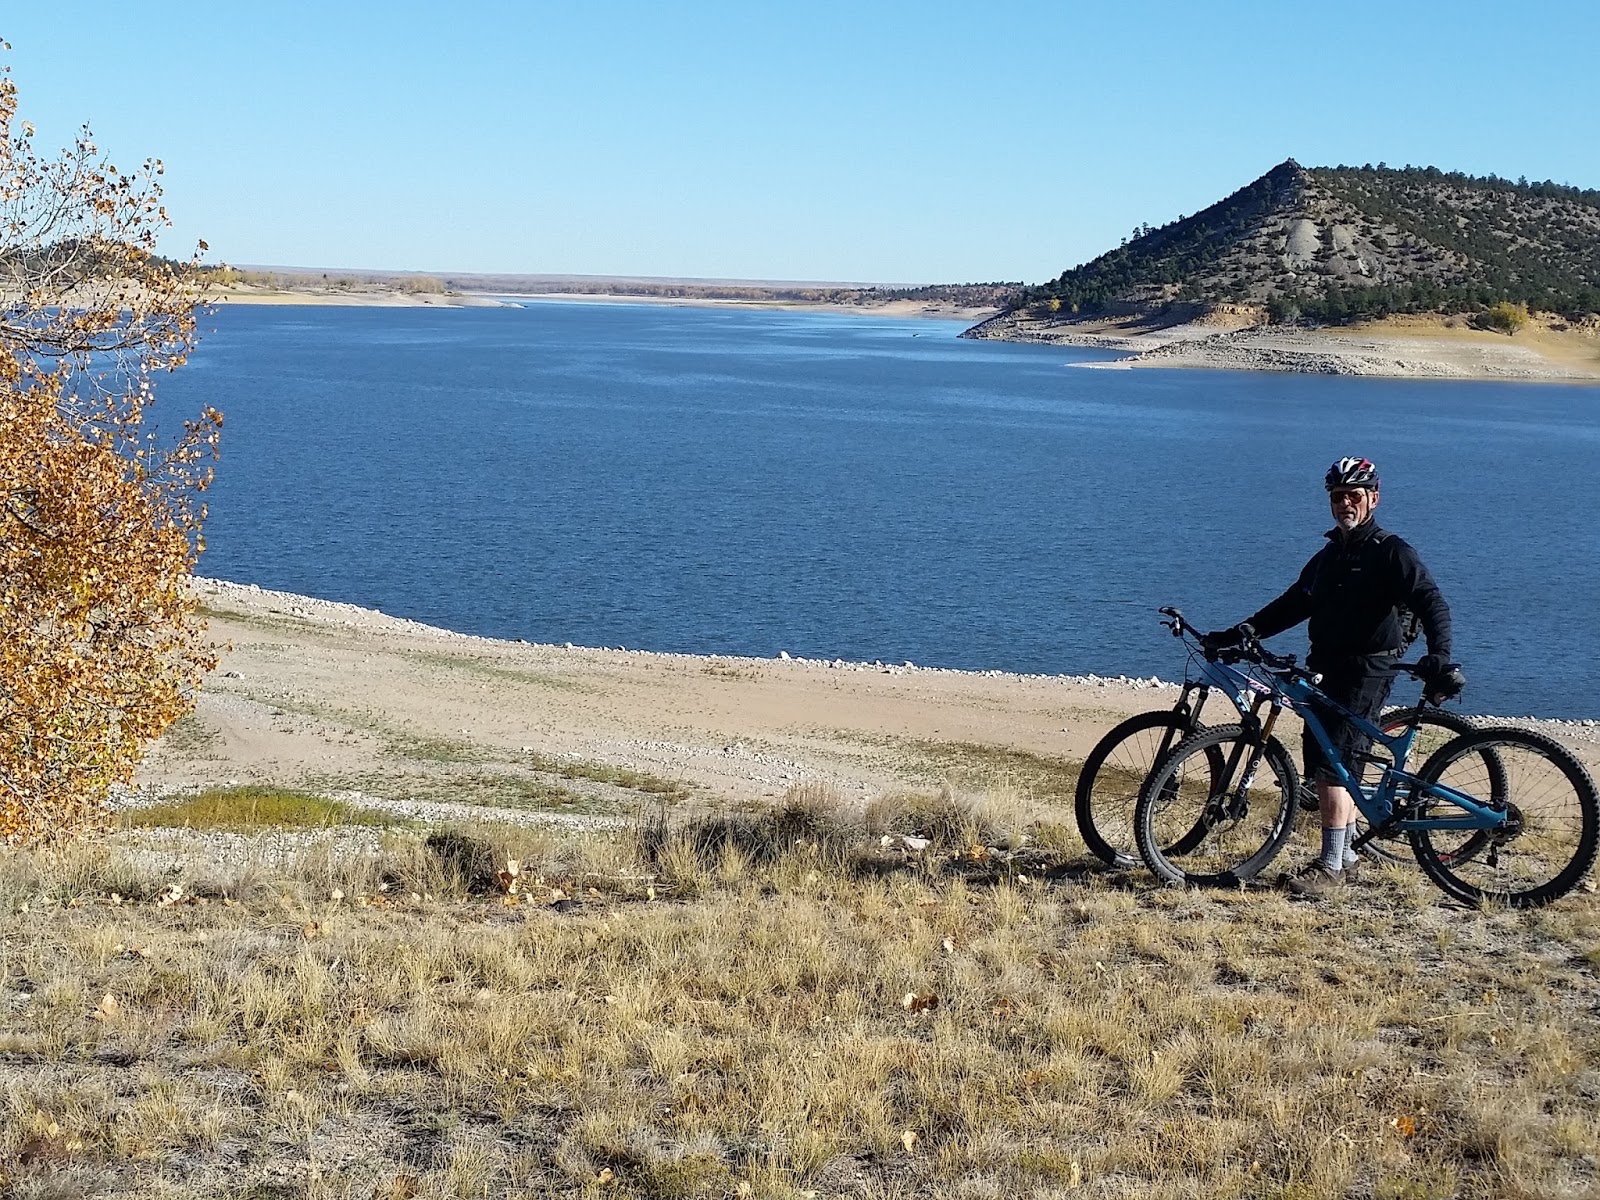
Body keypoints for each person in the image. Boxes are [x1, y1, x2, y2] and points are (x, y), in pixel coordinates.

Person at [1204, 456, 1465, 897]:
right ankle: (1345, 856)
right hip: (1325, 664)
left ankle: (1331, 868)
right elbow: (1294, 602)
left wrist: (1439, 655)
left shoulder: (1391, 551)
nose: (1345, 503)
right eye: (1337, 496)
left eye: (1354, 496)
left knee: (1335, 768)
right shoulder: (1330, 555)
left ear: (1373, 499)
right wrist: (1242, 632)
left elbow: (1431, 602)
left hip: (1367, 668)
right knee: (1327, 761)